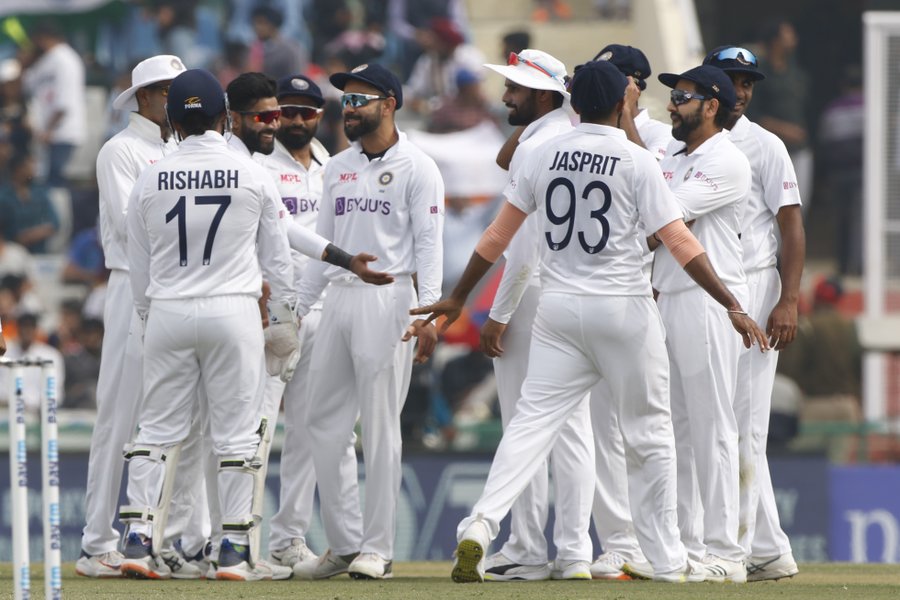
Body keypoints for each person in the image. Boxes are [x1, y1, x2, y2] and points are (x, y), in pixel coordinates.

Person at [410, 59, 768, 585]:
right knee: (649, 432)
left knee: (530, 426)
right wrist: (731, 303)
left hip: (558, 309)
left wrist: (458, 297)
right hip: (623, 307)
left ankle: (481, 524)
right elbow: (678, 240)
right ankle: (666, 558)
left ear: (574, 102)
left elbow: (497, 236)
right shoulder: (637, 160)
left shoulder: (541, 152)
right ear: (622, 103)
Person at [292, 63, 443, 581]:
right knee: (322, 422)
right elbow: (325, 246)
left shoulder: (419, 167)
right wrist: (298, 308)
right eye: (346, 101)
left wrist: (429, 311)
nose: (348, 109)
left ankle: (378, 548)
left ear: (389, 104)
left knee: (379, 426)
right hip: (338, 297)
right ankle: (344, 543)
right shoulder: (337, 166)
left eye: (359, 100)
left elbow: (430, 244)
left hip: (390, 299)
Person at [78, 54, 209, 580]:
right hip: (132, 284)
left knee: (179, 421)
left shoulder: (180, 148)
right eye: (168, 90)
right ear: (145, 97)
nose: (178, 99)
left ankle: (162, 538)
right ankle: (96, 543)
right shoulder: (120, 150)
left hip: (179, 291)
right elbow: (130, 226)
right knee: (119, 414)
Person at [477, 48, 595, 582]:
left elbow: (520, 249)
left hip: (530, 295)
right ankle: (574, 552)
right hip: (570, 290)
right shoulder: (566, 135)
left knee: (522, 425)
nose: (505, 96)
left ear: (544, 97)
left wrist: (498, 313)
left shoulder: (537, 146)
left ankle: (525, 547)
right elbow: (506, 157)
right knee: (571, 428)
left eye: (515, 89)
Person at [704, 45, 804, 583]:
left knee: (744, 425)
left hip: (756, 287)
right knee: (718, 421)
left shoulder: (766, 145)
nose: (740, 91)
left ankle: (737, 552)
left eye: (747, 83)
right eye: (731, 80)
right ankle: (770, 549)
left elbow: (791, 225)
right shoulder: (688, 142)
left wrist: (788, 299)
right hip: (708, 290)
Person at [649, 65, 752, 582]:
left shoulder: (727, 160)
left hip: (710, 303)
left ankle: (726, 554)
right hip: (668, 296)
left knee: (713, 428)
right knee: (676, 429)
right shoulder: (672, 155)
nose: (672, 104)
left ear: (712, 106)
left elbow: (662, 223)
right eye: (673, 96)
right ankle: (688, 547)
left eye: (683, 97)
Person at [253, 73, 360, 573]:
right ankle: (238, 536)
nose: (295, 120)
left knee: (307, 429)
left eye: (305, 112)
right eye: (285, 112)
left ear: (320, 116)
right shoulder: (258, 163)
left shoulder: (331, 165)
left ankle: (287, 539)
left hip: (324, 309)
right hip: (273, 310)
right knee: (255, 427)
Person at [584, 42, 673, 581]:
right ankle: (618, 544)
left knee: (649, 429)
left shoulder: (660, 136)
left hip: (643, 297)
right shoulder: (583, 137)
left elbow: (661, 217)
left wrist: (626, 122)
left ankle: (663, 544)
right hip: (595, 297)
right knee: (603, 430)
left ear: (635, 85)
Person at [747, 19, 812, 214]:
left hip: (799, 149)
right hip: (769, 151)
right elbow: (752, 114)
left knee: (799, 205)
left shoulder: (797, 73)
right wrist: (784, 129)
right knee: (771, 207)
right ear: (775, 41)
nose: (794, 39)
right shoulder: (759, 75)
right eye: (788, 34)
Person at [20, 19, 86, 189]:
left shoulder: (65, 58)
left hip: (61, 131)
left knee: (55, 184)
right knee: (45, 181)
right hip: (46, 132)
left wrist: (48, 130)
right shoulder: (48, 59)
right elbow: (26, 84)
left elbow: (65, 101)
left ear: (43, 38)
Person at [0, 152, 60, 254]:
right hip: (12, 251)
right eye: (30, 163)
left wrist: (32, 234)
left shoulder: (40, 192)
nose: (34, 167)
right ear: (18, 168)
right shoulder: (4, 196)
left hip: (40, 251)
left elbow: (55, 222)